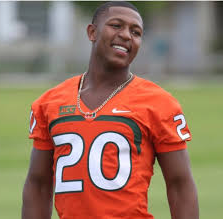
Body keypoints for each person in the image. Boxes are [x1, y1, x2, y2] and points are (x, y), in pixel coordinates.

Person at [22, 1, 199, 219]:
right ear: (92, 32)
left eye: (136, 32)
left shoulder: (159, 103)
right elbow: (38, 184)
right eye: (116, 26)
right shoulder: (49, 102)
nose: (126, 35)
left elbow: (180, 185)